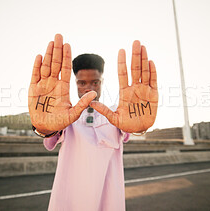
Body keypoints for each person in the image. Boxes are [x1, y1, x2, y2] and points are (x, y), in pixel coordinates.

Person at [28, 34, 158, 211]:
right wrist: (43, 127)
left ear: (102, 82)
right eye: (82, 83)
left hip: (108, 201)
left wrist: (139, 127)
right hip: (68, 202)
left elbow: (128, 129)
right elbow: (49, 136)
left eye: (95, 82)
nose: (88, 88)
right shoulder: (64, 116)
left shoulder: (117, 114)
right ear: (74, 83)